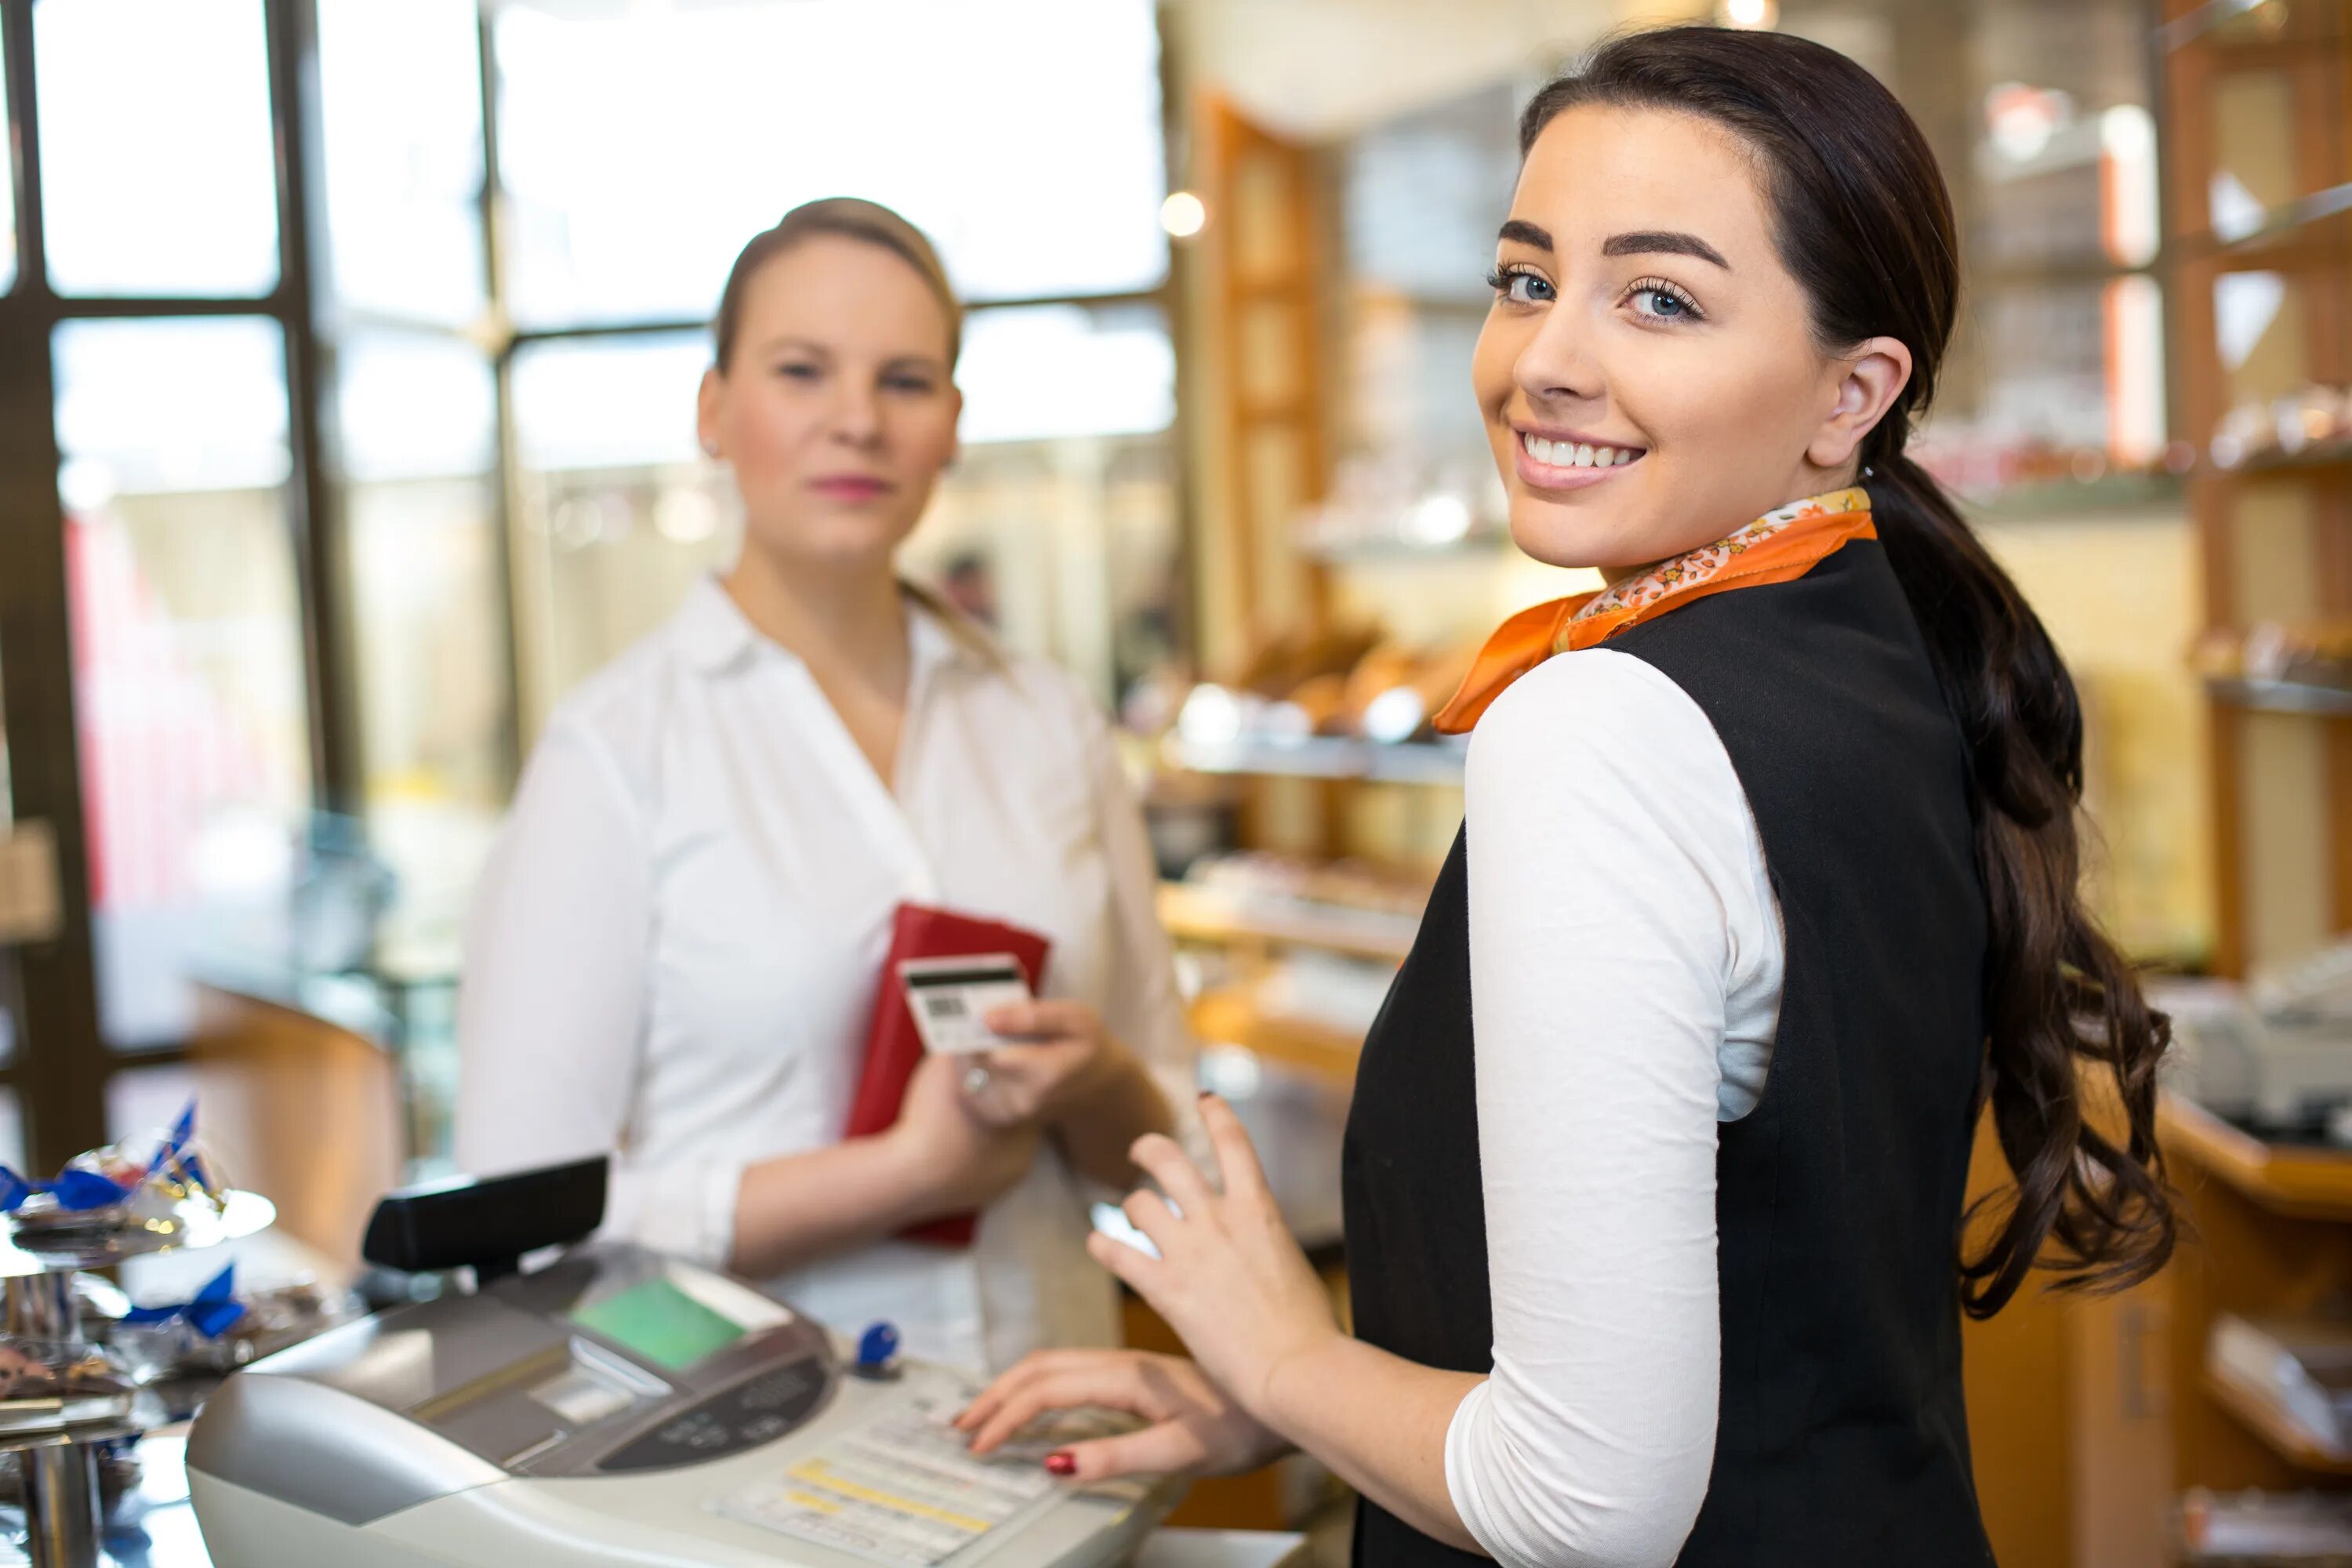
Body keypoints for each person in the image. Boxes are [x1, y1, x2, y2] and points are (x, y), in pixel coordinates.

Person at [958, 27, 2176, 1566]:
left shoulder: (1602, 721)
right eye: (1528, 279)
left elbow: (1589, 1501)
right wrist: (1311, 1400)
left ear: (1850, 391)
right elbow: (1766, 1279)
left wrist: (1277, 1352)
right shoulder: (1891, 644)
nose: (1544, 359)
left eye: (1659, 298)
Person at [456, 198, 1193, 1374]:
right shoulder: (614, 753)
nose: (857, 421)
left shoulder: (1050, 723)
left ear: (952, 423)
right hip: (748, 1479)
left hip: (1062, 1452)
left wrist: (1104, 1083)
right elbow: (522, 1219)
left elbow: (1177, 1134)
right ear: (714, 411)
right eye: (803, 372)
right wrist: (904, 1177)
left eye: (905, 381)